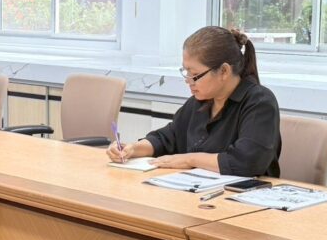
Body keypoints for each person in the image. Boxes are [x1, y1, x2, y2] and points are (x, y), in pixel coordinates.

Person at [107, 26, 281, 176]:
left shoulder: (259, 102)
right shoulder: (200, 101)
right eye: (186, 72)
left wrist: (189, 159)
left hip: (244, 197)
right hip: (196, 193)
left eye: (195, 75)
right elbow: (167, 138)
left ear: (224, 71)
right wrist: (132, 149)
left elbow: (246, 161)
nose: (188, 80)